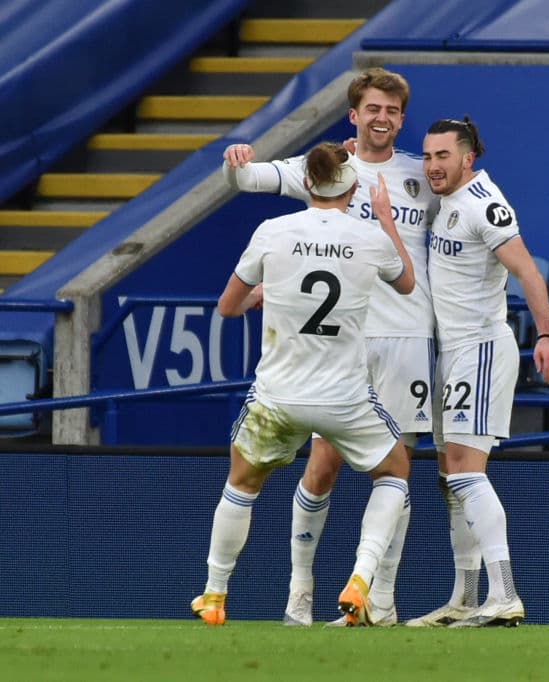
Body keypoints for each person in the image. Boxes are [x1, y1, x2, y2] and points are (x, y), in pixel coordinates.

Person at [222, 67, 435, 627]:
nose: (382, 119)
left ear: (401, 119)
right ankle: (300, 591)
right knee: (321, 468)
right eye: (373, 109)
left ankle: (381, 600)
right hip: (341, 347)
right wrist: (236, 159)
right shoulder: (327, 167)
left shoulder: (420, 173)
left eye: (392, 111)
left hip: (406, 338)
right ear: (354, 115)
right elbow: (247, 179)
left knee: (397, 467)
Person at [191, 143, 416, 627]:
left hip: (278, 396)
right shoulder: (369, 237)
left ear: (308, 183)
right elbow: (406, 284)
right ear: (352, 187)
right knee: (395, 471)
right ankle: (362, 575)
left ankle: (214, 592)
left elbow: (227, 307)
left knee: (241, 484)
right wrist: (384, 220)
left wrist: (261, 292)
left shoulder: (272, 231)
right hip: (345, 398)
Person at [404, 117, 549, 628]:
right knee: (450, 475)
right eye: (427, 155)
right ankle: (465, 597)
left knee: (466, 470)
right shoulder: (445, 199)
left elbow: (526, 270)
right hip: (450, 352)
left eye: (443, 156)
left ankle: (504, 595)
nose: (432, 166)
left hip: (482, 348)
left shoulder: (484, 204)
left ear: (467, 158)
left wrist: (545, 335)